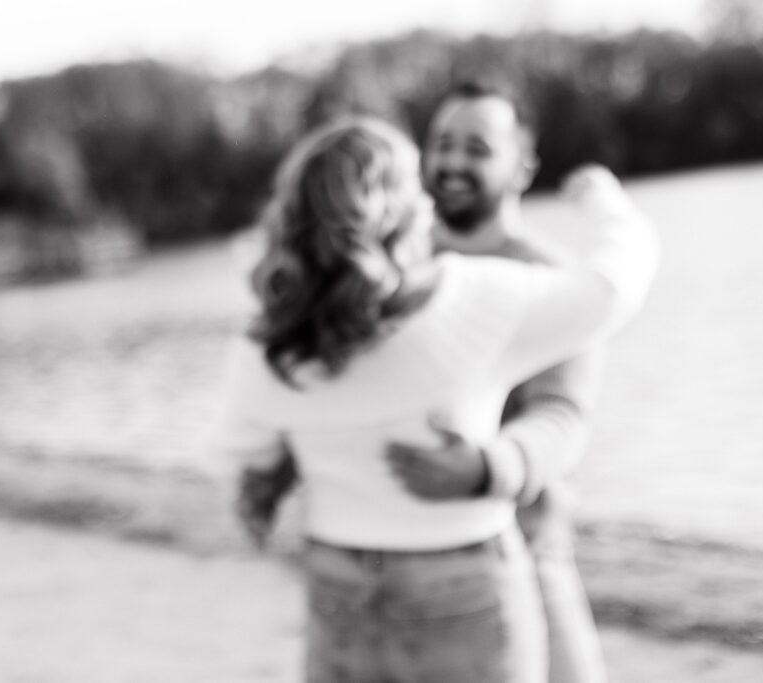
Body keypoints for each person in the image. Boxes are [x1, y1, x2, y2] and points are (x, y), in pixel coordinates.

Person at [219, 116, 657, 682]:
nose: (430, 198)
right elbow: (614, 288)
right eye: (417, 185)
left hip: (337, 580)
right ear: (401, 209)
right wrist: (606, 203)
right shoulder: (473, 298)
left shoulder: (269, 342)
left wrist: (294, 466)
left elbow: (241, 457)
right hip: (461, 580)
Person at [384, 79, 612, 683]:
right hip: (396, 559)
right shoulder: (390, 272)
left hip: (524, 549)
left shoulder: (554, 278)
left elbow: (562, 415)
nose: (452, 162)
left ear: (523, 167)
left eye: (477, 148)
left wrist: (490, 467)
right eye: (442, 144)